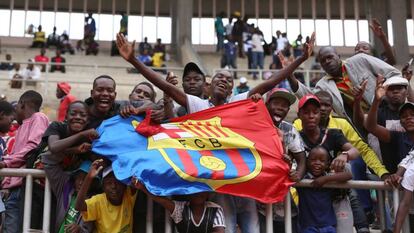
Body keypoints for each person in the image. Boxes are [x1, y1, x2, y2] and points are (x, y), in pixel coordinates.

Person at [116, 31, 315, 233]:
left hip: (245, 181)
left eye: (229, 80)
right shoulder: (198, 105)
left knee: (252, 229)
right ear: (208, 87)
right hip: (218, 186)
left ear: (232, 91)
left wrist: (300, 59)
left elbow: (271, 82)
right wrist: (133, 60)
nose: (224, 80)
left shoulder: (239, 103)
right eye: (219, 77)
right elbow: (165, 85)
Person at [293, 91, 388, 232]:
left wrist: (344, 155)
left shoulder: (333, 134)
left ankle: (362, 226)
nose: (311, 116)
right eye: (306, 112)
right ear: (299, 115)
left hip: (336, 195)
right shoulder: (295, 137)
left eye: (315, 112)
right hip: (310, 196)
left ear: (321, 114)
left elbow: (355, 151)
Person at [288, 46, 403, 131]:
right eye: (323, 61)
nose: (327, 62)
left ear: (338, 57)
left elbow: (393, 73)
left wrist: (382, 90)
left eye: (330, 57)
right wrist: (288, 73)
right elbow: (307, 96)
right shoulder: (323, 85)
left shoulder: (361, 60)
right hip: (365, 126)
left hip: (390, 111)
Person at [0, 90, 49, 233]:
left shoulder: (38, 118)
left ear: (22, 104)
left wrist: (6, 163)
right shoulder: (22, 127)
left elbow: (33, 147)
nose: (14, 115)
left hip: (25, 187)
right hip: (14, 188)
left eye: (16, 108)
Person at [258, 88, 305, 233]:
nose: (280, 107)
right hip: (256, 197)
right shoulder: (255, 125)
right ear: (266, 105)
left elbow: (301, 158)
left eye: (284, 105)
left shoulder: (289, 129)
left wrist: (298, 174)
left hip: (282, 197)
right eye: (276, 103)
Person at [133, 179, 225, 233]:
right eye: (195, 190)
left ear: (208, 193)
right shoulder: (180, 209)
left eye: (202, 190)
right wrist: (143, 188)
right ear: (187, 193)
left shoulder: (215, 209)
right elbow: (160, 199)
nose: (198, 193)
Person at [297, 146, 352, 233]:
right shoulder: (303, 178)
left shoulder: (329, 178)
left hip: (328, 225)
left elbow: (348, 175)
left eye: (322, 161)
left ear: (327, 164)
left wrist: (325, 179)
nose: (317, 163)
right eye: (313, 160)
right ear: (307, 162)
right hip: (308, 226)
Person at [76, 161, 137, 233]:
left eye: (117, 182)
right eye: (109, 183)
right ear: (103, 188)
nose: (113, 186)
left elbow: (135, 182)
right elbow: (79, 206)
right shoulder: (99, 201)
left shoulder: (128, 194)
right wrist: (89, 178)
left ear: (124, 185)